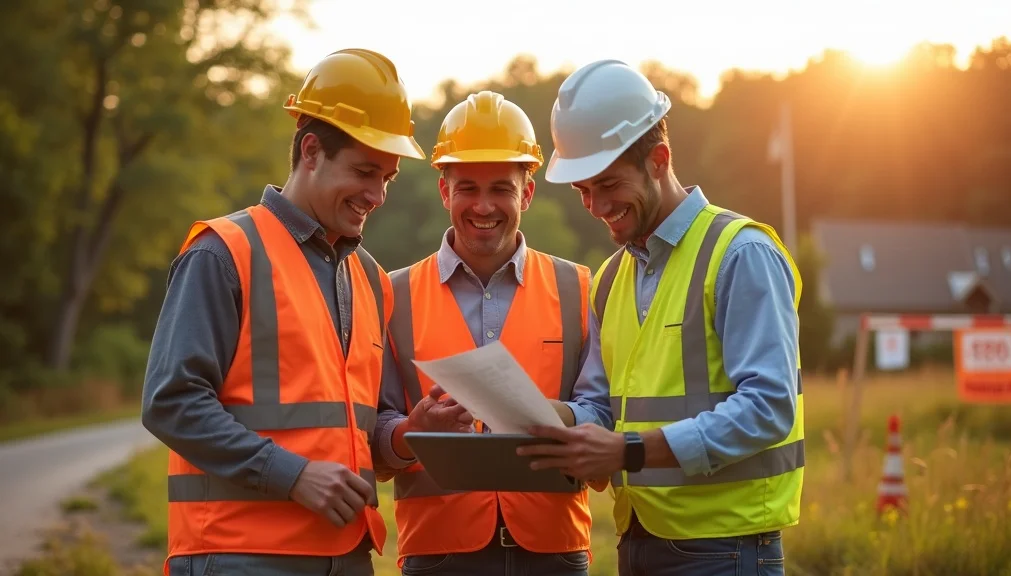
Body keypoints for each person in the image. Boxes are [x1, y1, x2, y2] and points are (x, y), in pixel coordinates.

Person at [140, 48, 426, 576]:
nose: (377, 195)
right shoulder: (223, 253)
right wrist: (291, 475)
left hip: (347, 556)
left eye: (388, 178)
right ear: (311, 151)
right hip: (239, 556)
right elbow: (171, 402)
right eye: (365, 172)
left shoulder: (370, 278)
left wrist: (407, 434)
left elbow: (351, 433)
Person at [517, 59, 805, 576]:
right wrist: (543, 417)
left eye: (608, 184)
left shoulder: (740, 254)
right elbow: (602, 408)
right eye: (583, 191)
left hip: (728, 550)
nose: (595, 206)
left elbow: (768, 407)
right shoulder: (610, 279)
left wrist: (628, 452)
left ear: (659, 160)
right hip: (639, 543)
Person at [372, 90, 614, 575]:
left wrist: (554, 419)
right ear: (445, 192)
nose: (484, 206)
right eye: (467, 188)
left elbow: (603, 414)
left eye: (501, 188)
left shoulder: (579, 289)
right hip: (438, 555)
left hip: (554, 552)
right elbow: (375, 436)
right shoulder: (391, 295)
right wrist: (411, 431)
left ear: (527, 193)